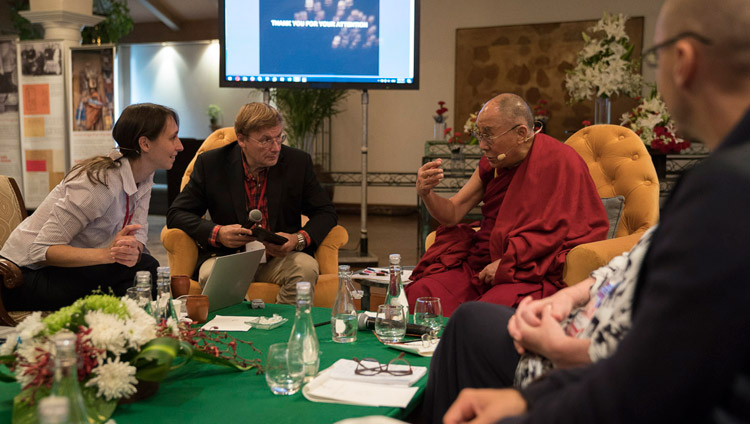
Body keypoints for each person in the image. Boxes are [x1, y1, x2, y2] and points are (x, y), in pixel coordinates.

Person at [442, 0, 750, 422]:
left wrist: (533, 398)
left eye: (654, 58)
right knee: (470, 315)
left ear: (683, 62)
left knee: (467, 324)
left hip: (590, 369)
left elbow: (654, 378)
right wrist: (573, 294)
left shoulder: (726, 190)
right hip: (588, 329)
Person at [423, 226, 656, 423]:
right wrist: (565, 298)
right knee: (467, 317)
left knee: (471, 322)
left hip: (572, 369)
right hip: (566, 325)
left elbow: (645, 361)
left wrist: (555, 348)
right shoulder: (670, 229)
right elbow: (620, 268)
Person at [406, 93, 609, 316]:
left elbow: (569, 233)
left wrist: (506, 264)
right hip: (482, 262)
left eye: (489, 136)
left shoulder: (561, 161)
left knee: (484, 314)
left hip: (528, 269)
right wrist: (427, 193)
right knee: (423, 293)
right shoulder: (494, 164)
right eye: (479, 135)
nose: (482, 145)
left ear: (521, 133)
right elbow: (452, 213)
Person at [0, 103, 182, 310]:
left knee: (145, 267)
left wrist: (131, 250)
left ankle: (134, 331)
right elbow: (43, 250)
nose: (180, 146)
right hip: (22, 276)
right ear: (145, 144)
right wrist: (109, 254)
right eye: (172, 138)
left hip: (64, 269)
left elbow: (138, 233)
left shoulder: (143, 176)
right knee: (137, 273)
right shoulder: (98, 184)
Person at [166, 102, 337, 304]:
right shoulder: (212, 164)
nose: (275, 148)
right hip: (228, 257)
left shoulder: (297, 162)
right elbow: (177, 213)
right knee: (210, 274)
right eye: (265, 140)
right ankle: (237, 331)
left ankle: (286, 328)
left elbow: (326, 212)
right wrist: (218, 233)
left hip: (279, 258)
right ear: (242, 139)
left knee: (306, 268)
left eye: (279, 138)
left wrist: (297, 239)